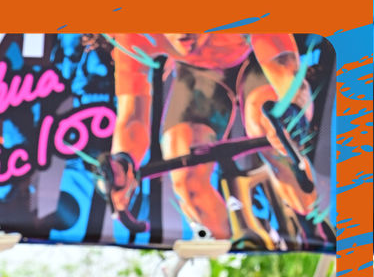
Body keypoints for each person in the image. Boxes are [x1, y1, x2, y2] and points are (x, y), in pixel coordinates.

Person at [100, 33, 316, 241]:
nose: (182, 31)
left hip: (255, 61)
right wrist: (123, 162)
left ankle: (311, 218)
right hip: (198, 76)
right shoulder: (134, 33)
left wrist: (293, 113)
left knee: (267, 127)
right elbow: (132, 117)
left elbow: (288, 76)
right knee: (186, 182)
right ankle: (228, 248)